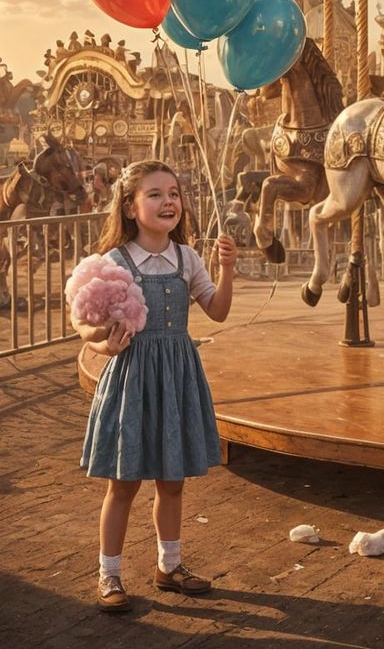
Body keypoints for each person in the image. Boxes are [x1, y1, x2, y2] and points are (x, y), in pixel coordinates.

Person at [75, 159, 237, 614]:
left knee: (173, 481)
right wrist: (103, 343)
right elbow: (84, 320)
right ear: (129, 206)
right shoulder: (115, 261)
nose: (168, 202)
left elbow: (218, 310)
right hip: (132, 377)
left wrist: (227, 269)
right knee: (123, 482)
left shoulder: (187, 258)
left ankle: (170, 565)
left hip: (178, 375)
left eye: (173, 193)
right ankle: (109, 572)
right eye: (155, 194)